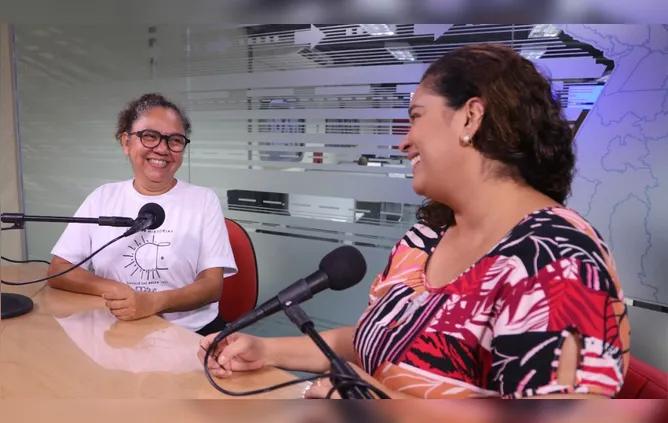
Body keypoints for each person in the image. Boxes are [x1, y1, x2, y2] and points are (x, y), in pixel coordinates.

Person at [198, 44, 631, 399]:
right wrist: (266, 350)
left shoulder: (557, 260)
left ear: (470, 117)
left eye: (416, 116)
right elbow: (379, 343)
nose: (402, 140)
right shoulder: (423, 239)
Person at [47, 93, 237, 336]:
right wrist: (117, 290)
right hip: (117, 329)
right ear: (126, 142)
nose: (162, 149)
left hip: (190, 333)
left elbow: (212, 286)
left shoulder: (203, 200)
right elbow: (59, 269)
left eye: (175, 140)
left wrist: (152, 302)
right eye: (150, 136)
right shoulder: (102, 198)